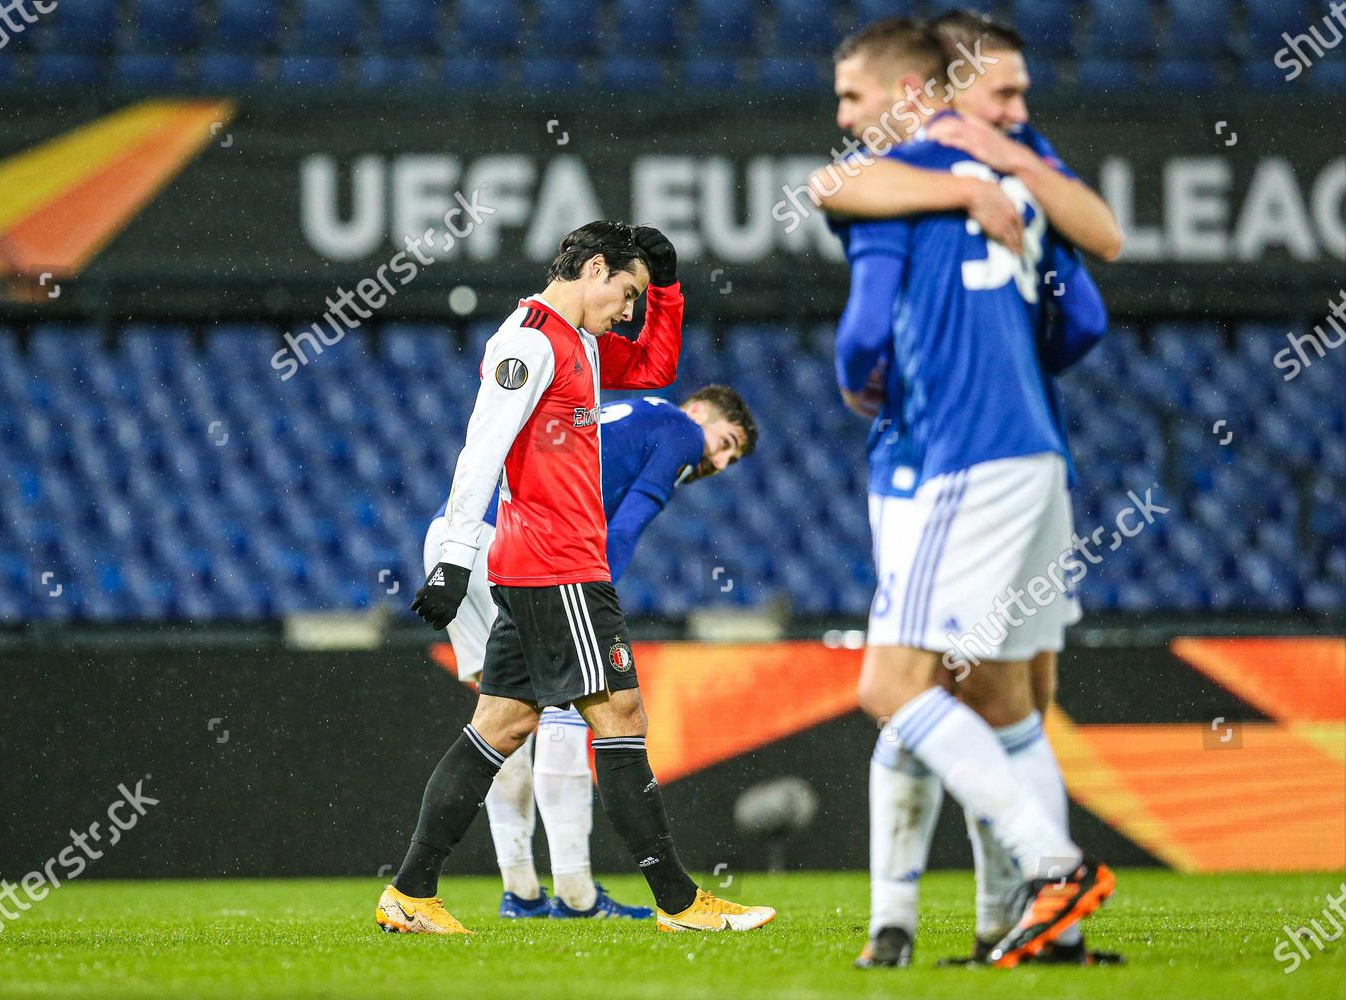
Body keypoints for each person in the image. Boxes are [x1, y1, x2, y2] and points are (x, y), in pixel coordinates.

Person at [814, 10, 1125, 966]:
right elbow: (1086, 319)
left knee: (894, 686)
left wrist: (868, 379)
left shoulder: (902, 193)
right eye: (1007, 91)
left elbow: (841, 215)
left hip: (954, 453)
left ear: (912, 95)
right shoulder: (1003, 171)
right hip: (1036, 449)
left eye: (854, 99)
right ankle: (1030, 932)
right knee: (1010, 695)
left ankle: (1050, 868)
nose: (843, 117)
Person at [377, 220, 774, 934]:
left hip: (540, 561)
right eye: (627, 293)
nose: (630, 311)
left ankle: (410, 892)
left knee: (501, 725)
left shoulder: (580, 344)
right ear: (593, 268)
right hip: (556, 563)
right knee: (619, 717)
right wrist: (454, 558)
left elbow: (652, 370)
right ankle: (678, 902)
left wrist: (669, 291)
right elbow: (482, 447)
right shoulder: (529, 342)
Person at [423, 388, 757, 919]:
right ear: (700, 413)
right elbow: (624, 528)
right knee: (578, 709)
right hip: (522, 544)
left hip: (455, 536)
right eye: (725, 444)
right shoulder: (681, 431)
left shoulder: (628, 412)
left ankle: (519, 890)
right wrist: (593, 595)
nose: (717, 462)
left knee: (498, 717)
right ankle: (577, 891)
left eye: (729, 459)